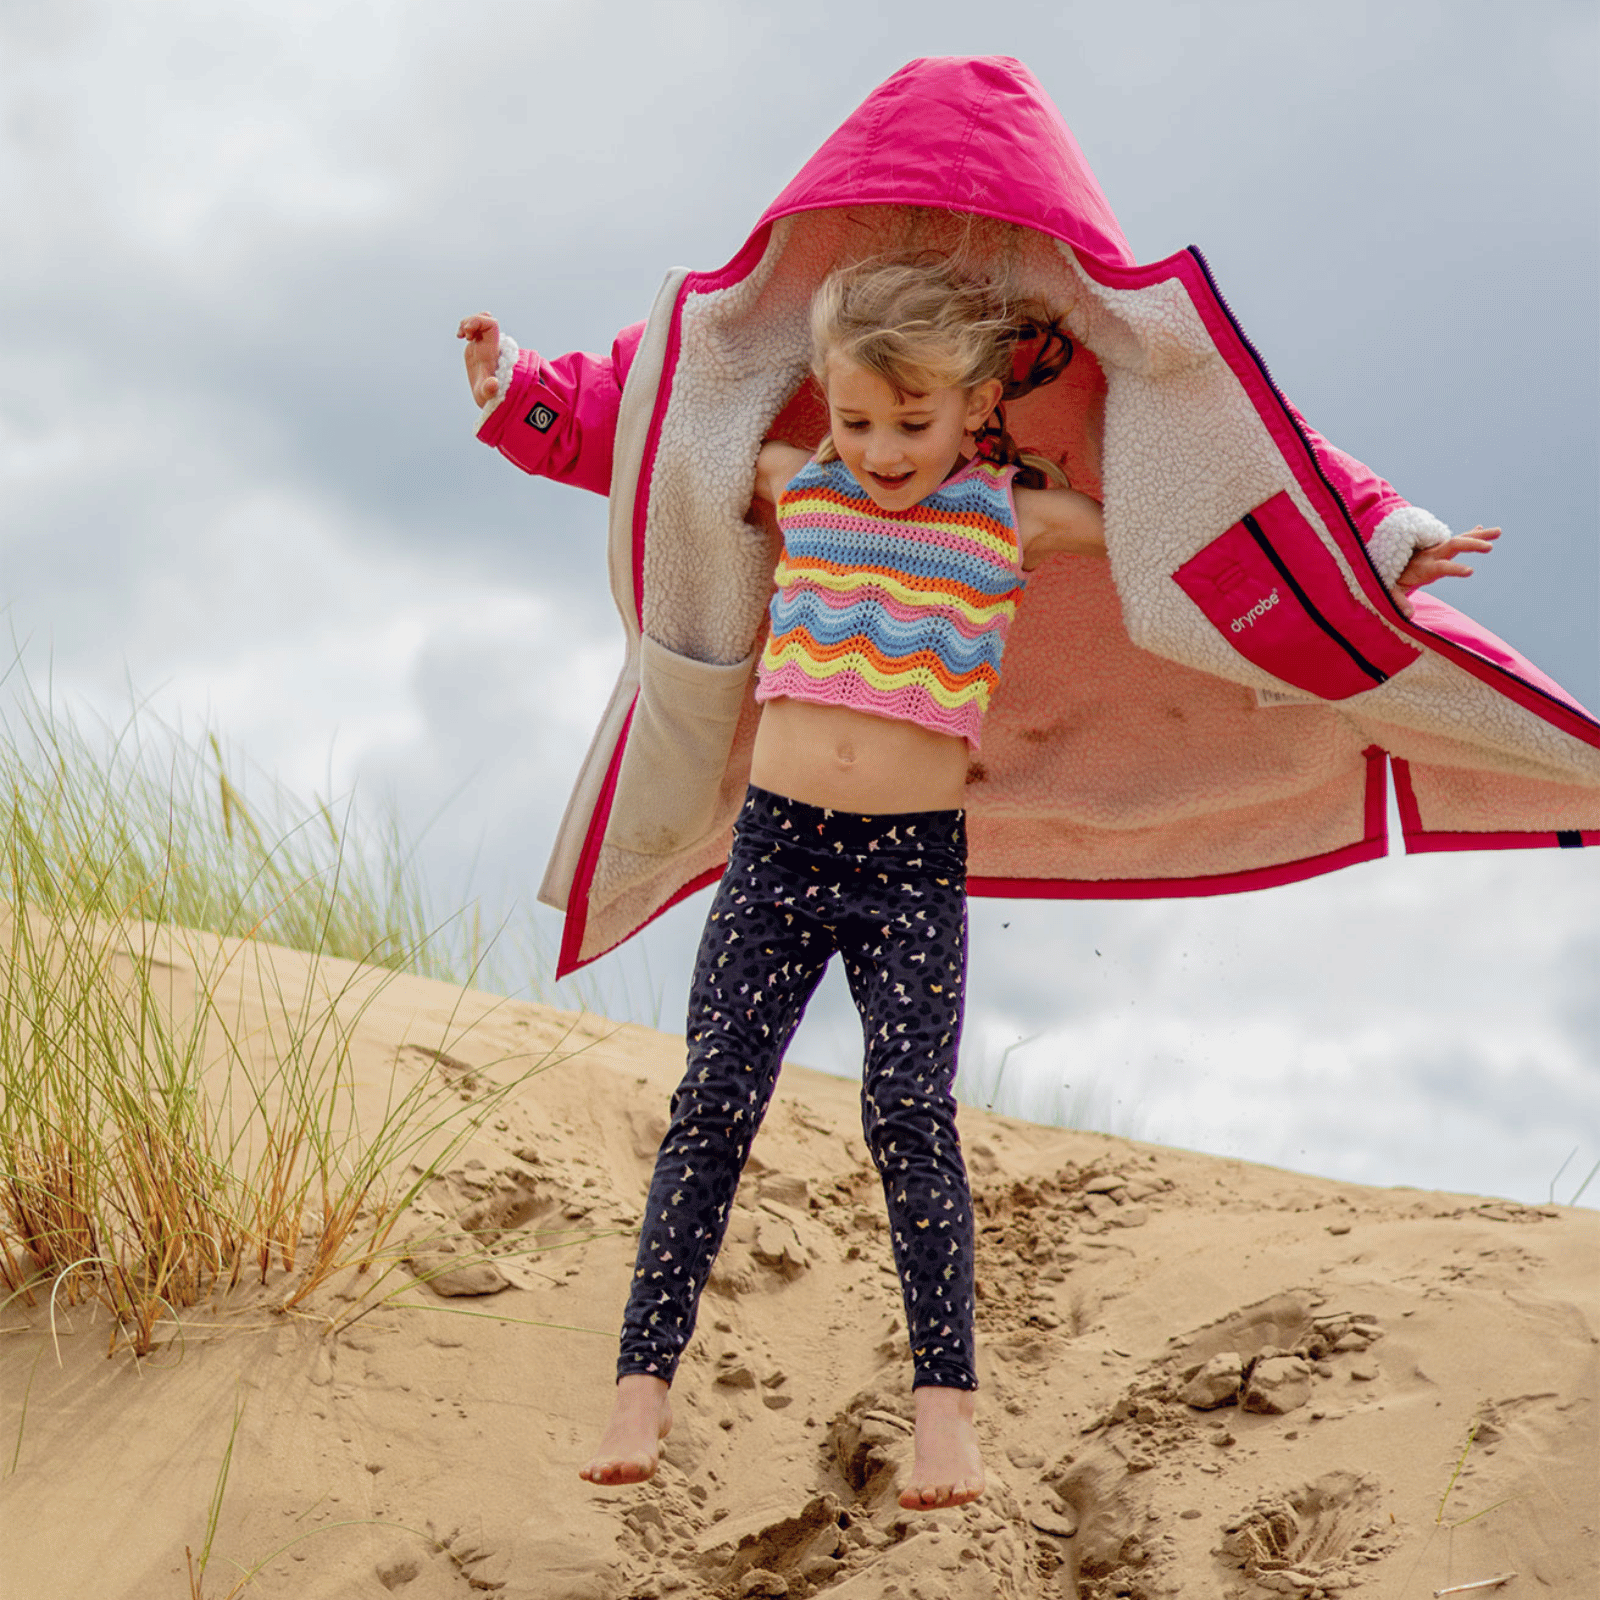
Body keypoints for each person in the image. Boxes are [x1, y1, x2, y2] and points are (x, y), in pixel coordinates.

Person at [459, 255, 1497, 1511]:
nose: (880, 449)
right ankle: (640, 1385)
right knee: (713, 1104)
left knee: (909, 1116)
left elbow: (1200, 521)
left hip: (909, 871)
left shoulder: (1013, 515)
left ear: (976, 406)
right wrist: (522, 394)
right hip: (776, 852)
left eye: (911, 422)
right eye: (856, 419)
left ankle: (943, 1415)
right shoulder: (794, 482)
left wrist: (1371, 548)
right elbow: (654, 439)